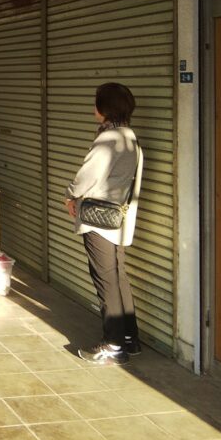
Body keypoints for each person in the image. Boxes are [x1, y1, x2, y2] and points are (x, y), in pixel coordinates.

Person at [65, 82, 144, 365]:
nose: (94, 107)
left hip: (99, 220)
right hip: (118, 219)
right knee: (118, 276)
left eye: (96, 102)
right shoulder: (129, 135)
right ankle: (129, 338)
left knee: (105, 279)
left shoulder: (109, 138)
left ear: (105, 108)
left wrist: (70, 195)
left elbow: (88, 175)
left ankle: (112, 345)